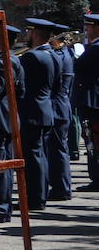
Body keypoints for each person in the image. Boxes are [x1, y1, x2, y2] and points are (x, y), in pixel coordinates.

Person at [18, 18, 58, 212]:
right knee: (40, 155)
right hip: (46, 110)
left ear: (34, 34)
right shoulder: (53, 55)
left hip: (31, 112)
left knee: (32, 157)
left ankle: (34, 198)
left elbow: (21, 86)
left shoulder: (31, 57)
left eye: (29, 31)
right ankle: (39, 195)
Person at [0, 25, 24, 223]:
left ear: (1, 39)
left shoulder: (2, 62)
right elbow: (21, 92)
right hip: (7, 116)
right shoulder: (14, 59)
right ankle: (2, 207)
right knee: (3, 163)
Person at [47, 25, 75, 202]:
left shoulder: (60, 55)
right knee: (59, 149)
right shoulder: (66, 53)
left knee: (58, 150)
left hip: (57, 106)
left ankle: (62, 188)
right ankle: (61, 186)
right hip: (62, 105)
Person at [74, 13, 99, 191]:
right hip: (92, 100)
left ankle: (96, 178)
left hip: (92, 102)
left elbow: (78, 66)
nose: (86, 30)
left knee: (92, 141)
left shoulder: (95, 48)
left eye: (89, 26)